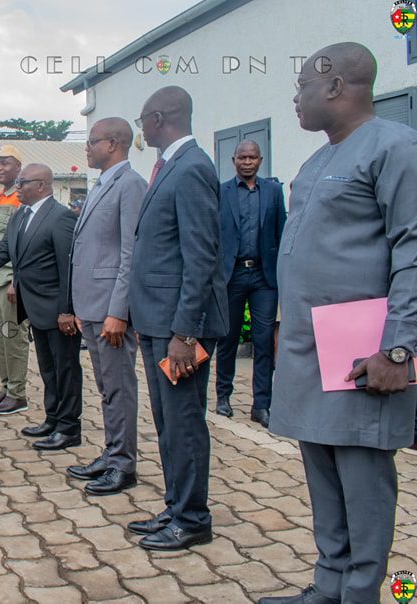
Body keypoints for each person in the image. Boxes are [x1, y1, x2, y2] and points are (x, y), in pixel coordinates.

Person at [259, 43, 417, 604]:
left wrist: (398, 349)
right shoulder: (319, 159)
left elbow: (412, 250)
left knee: (361, 480)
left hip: (361, 349)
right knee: (322, 471)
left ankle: (360, 593)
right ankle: (328, 586)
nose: (295, 98)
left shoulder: (395, 147)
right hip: (310, 346)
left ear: (334, 86)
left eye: (302, 86)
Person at [127, 86, 228, 551]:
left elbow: (201, 256)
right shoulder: (171, 166)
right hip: (156, 323)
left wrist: (185, 332)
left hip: (178, 329)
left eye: (143, 119)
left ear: (159, 118)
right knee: (168, 423)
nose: (140, 129)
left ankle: (192, 518)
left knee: (184, 423)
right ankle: (176, 505)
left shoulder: (191, 168)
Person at [0, 163, 82, 451]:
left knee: (66, 370)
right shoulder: (19, 215)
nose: (18, 187)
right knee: (48, 369)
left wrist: (68, 311)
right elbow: (2, 251)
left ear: (41, 185)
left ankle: (69, 427)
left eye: (23, 182)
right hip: (33, 306)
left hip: (56, 309)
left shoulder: (60, 217)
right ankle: (53, 419)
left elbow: (69, 269)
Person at [64, 118, 145, 496]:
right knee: (107, 387)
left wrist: (119, 311)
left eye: (92, 141)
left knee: (119, 387)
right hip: (92, 306)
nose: (87, 147)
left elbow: (131, 252)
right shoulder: (104, 182)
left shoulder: (129, 185)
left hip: (110, 309)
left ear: (112, 143)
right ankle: (112, 453)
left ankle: (123, 464)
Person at [214, 141, 286, 427]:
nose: (247, 162)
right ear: (234, 160)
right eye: (242, 157)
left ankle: (262, 404)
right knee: (228, 338)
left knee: (264, 340)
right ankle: (223, 396)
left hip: (263, 277)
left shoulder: (273, 191)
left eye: (252, 157)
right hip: (231, 275)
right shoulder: (222, 192)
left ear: (260, 159)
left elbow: (281, 233)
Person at [0, 144, 30, 415]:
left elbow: (22, 244)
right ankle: (6, 386)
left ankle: (18, 394)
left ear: (19, 168)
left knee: (14, 338)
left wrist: (17, 281)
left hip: (10, 281)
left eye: (5, 163)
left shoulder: (20, 199)